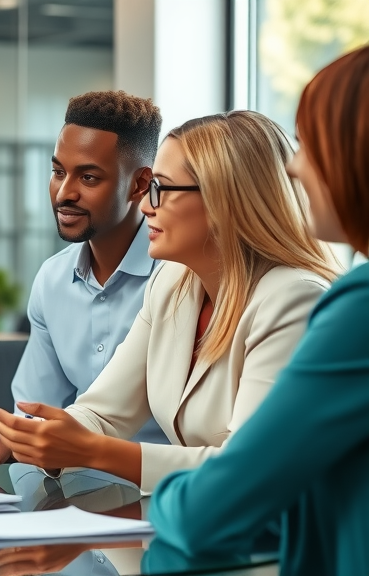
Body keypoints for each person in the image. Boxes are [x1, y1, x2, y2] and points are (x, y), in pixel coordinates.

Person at [0, 109, 337, 494]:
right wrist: (17, 436)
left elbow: (249, 467)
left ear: (224, 201)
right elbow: (102, 414)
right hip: (200, 526)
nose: (146, 206)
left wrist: (95, 453)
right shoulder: (173, 284)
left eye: (161, 190)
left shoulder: (294, 299)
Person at [148, 46, 369, 576]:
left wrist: (165, 490)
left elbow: (213, 511)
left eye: (313, 145)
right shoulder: (175, 285)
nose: (294, 166)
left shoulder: (354, 310)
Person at [0, 90, 166, 481]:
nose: (64, 193)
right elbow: (36, 410)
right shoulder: (52, 279)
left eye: (89, 177)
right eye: (59, 171)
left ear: (139, 184)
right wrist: (3, 436)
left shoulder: (178, 279)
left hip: (169, 496)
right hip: (81, 498)